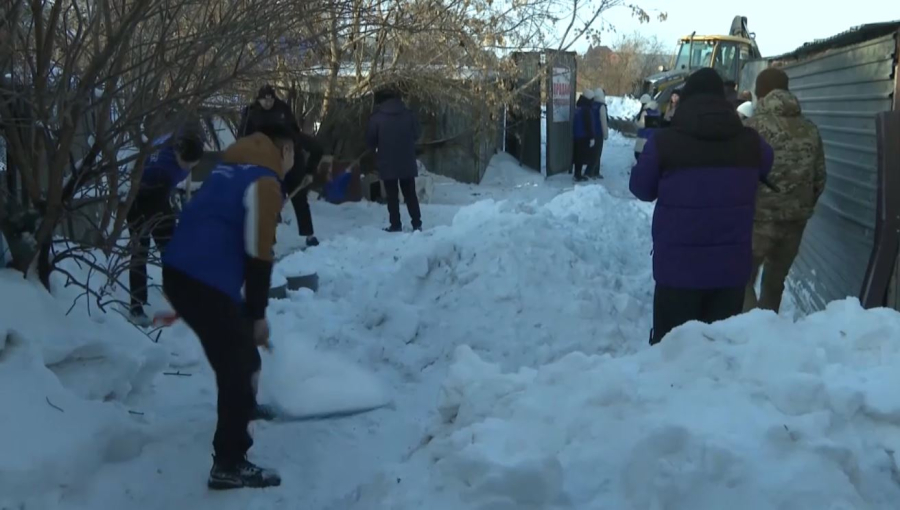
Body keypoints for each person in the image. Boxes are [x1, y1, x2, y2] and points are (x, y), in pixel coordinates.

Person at [160, 124, 294, 490]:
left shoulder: (228, 169)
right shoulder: (264, 182)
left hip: (182, 272)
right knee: (237, 363)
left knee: (240, 357)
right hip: (203, 279)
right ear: (283, 152)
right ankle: (229, 463)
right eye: (293, 154)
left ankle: (242, 408)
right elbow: (259, 254)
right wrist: (257, 315)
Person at [629, 68, 774, 345]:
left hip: (676, 273)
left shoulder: (664, 143)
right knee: (717, 357)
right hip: (730, 274)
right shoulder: (752, 144)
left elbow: (641, 189)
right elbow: (767, 162)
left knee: (671, 351)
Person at [743, 67, 826, 313]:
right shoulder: (810, 129)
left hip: (758, 221)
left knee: (742, 281)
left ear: (761, 93)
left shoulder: (752, 127)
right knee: (774, 284)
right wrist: (801, 206)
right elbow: (819, 178)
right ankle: (768, 338)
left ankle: (749, 334)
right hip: (794, 223)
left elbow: (741, 176)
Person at [127, 129, 204, 326]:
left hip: (157, 192)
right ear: (177, 154)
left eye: (192, 163)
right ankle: (136, 307)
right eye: (186, 163)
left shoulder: (179, 141)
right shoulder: (164, 169)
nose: (189, 166)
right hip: (138, 198)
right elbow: (158, 205)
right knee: (141, 251)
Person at [239, 84, 323, 247]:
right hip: (265, 165)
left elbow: (316, 149)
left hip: (292, 166)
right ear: (259, 99)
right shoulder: (251, 113)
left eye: (271, 98)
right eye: (265, 99)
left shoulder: (284, 112)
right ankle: (268, 241)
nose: (268, 102)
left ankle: (309, 235)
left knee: (299, 198)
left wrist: (310, 172)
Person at [366, 88, 423, 232]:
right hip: (406, 161)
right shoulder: (408, 114)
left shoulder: (376, 118)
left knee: (392, 195)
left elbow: (371, 141)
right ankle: (417, 223)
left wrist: (375, 150)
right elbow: (417, 134)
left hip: (387, 161)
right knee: (410, 193)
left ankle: (395, 224)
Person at [572, 90, 596, 182]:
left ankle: (577, 174)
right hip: (583, 136)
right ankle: (578, 175)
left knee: (577, 156)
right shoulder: (586, 109)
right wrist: (592, 137)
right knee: (581, 157)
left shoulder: (579, 107)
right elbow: (589, 124)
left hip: (577, 135)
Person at [587, 87, 610, 179]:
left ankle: (593, 171)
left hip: (591, 132)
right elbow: (603, 121)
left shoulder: (591, 105)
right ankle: (592, 172)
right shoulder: (602, 106)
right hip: (598, 133)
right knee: (597, 153)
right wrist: (606, 134)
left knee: (593, 153)